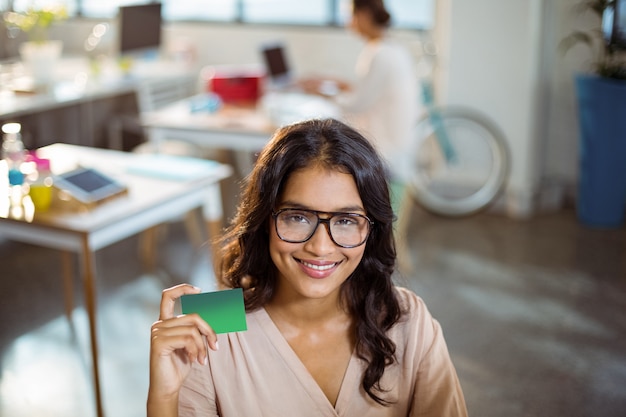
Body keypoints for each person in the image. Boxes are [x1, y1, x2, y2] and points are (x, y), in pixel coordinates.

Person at [148, 118, 467, 417]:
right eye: (297, 217)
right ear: (264, 221)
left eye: (346, 221)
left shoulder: (407, 318)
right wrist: (164, 397)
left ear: (372, 230)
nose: (320, 247)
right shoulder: (208, 322)